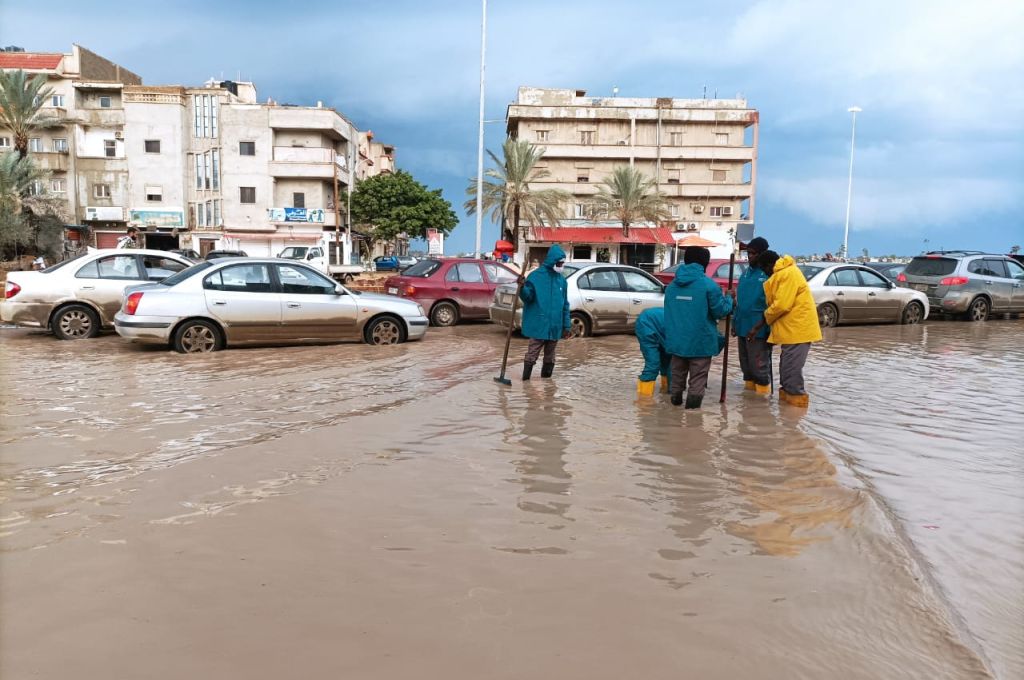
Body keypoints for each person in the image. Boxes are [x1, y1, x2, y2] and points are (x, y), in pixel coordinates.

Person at [663, 247, 733, 409]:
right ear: (705, 263)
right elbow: (720, 311)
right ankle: (692, 417)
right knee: (698, 379)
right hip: (700, 342)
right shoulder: (709, 285)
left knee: (677, 376)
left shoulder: (672, 286)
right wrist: (729, 299)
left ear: (685, 261)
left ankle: (675, 409)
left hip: (676, 341)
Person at [756, 250, 822, 408]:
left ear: (770, 265)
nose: (764, 273)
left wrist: (762, 321)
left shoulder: (788, 274)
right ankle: (786, 417)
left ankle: (795, 416)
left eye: (763, 269)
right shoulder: (783, 273)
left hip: (798, 331)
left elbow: (781, 305)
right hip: (790, 331)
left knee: (792, 375)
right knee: (786, 373)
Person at [519, 244, 571, 380]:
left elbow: (565, 305)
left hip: (555, 326)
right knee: (532, 355)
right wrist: (522, 287)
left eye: (562, 263)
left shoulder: (562, 282)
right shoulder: (535, 277)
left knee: (550, 357)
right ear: (552, 261)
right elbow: (528, 298)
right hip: (539, 325)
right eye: (559, 263)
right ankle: (526, 383)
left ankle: (547, 386)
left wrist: (566, 326)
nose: (561, 266)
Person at [733, 237, 772, 395]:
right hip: (743, 326)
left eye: (753, 253)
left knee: (759, 367)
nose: (750, 257)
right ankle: (749, 405)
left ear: (762, 254)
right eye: (748, 253)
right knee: (746, 366)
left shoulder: (768, 274)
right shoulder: (745, 274)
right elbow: (740, 302)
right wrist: (735, 322)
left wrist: (766, 328)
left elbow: (773, 306)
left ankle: (762, 403)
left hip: (759, 329)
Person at [635, 307, 671, 396]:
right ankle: (644, 398)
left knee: (669, 362)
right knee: (653, 363)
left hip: (663, 327)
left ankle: (666, 391)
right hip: (646, 324)